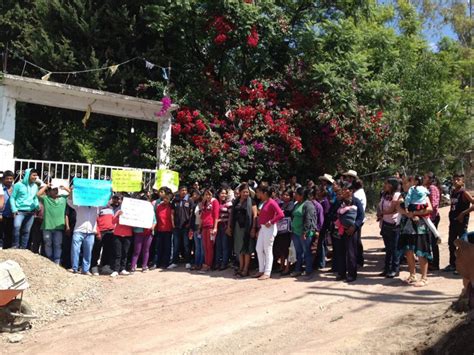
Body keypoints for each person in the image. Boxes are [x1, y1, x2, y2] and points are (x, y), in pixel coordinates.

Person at [398, 176, 434, 286]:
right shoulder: (403, 195)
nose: (403, 186)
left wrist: (415, 213)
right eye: (402, 184)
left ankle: (424, 278)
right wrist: (407, 213)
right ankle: (412, 275)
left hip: (420, 228)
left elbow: (429, 208)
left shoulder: (421, 192)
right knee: (408, 252)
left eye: (405, 183)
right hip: (407, 228)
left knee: (421, 252)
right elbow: (398, 207)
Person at [444, 173, 474, 273]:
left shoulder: (464, 193)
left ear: (462, 181)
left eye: (458, 179)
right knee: (451, 243)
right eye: (454, 179)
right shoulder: (453, 192)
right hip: (453, 222)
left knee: (462, 244)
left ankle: (465, 265)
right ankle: (453, 264)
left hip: (461, 223)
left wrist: (463, 213)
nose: (456, 181)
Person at [336, 182, 365, 282]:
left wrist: (354, 226)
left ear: (351, 191)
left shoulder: (356, 202)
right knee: (341, 252)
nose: (343, 191)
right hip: (341, 230)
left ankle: (352, 274)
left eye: (345, 189)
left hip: (352, 231)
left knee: (351, 253)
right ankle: (341, 273)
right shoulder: (340, 202)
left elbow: (361, 217)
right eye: (342, 189)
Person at [227, 183, 257, 278]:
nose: (245, 194)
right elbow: (232, 215)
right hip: (237, 228)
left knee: (247, 249)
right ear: (239, 192)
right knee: (239, 248)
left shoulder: (251, 202)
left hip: (247, 228)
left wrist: (253, 228)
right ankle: (240, 267)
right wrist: (229, 227)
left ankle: (245, 269)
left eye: (247, 192)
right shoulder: (236, 201)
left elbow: (255, 216)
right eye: (244, 192)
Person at [254, 185, 284, 280]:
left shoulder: (272, 202)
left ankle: (267, 272)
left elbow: (281, 214)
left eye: (259, 192)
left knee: (268, 250)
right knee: (258, 248)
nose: (257, 194)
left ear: (265, 193)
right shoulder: (264, 202)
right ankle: (261, 269)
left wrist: (271, 222)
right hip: (263, 228)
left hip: (269, 229)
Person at [68, 188, 99, 275]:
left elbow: (107, 201)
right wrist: (71, 191)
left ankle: (85, 270)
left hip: (90, 233)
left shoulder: (96, 207)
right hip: (78, 231)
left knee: (88, 252)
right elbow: (69, 201)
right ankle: (74, 268)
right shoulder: (79, 205)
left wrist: (110, 191)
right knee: (75, 250)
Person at [37, 183, 70, 264]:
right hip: (47, 226)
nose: (55, 191)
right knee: (47, 243)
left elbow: (72, 195)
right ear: (49, 192)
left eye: (56, 189)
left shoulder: (63, 199)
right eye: (53, 190)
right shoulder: (46, 199)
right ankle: (50, 260)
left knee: (58, 244)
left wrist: (65, 188)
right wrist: (46, 186)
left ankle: (57, 261)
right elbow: (38, 194)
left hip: (59, 227)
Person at [10, 168, 41, 249]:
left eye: (36, 175)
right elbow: (12, 197)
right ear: (28, 175)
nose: (35, 177)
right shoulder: (18, 185)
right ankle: (15, 246)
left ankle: (23, 248)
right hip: (19, 211)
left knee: (26, 231)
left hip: (31, 212)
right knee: (16, 227)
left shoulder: (35, 186)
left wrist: (37, 205)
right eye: (34, 175)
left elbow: (34, 198)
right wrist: (14, 209)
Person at [290, 188, 317, 279]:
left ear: (301, 195)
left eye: (296, 194)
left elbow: (309, 219)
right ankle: (298, 269)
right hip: (296, 232)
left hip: (304, 233)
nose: (295, 196)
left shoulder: (308, 205)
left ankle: (308, 271)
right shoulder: (297, 204)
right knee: (299, 252)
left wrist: (305, 232)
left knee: (307, 252)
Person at [377, 177, 401, 278]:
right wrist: (379, 213)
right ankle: (387, 268)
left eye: (386, 183)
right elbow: (380, 205)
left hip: (394, 224)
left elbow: (393, 209)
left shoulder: (397, 195)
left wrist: (382, 213)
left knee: (394, 248)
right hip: (385, 223)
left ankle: (395, 269)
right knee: (388, 248)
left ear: (391, 185)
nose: (384, 185)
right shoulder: (384, 194)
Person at [94, 195, 121, 275]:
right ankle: (94, 267)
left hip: (110, 232)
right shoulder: (98, 208)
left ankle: (104, 267)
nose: (111, 200)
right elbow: (95, 221)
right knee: (96, 250)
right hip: (101, 232)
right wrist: (98, 232)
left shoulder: (111, 209)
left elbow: (113, 220)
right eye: (110, 199)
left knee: (107, 251)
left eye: (111, 199)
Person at [130, 196, 156, 274]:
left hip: (148, 232)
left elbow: (154, 220)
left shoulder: (151, 210)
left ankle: (144, 266)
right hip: (139, 232)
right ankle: (133, 266)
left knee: (146, 250)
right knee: (136, 251)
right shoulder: (136, 211)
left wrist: (153, 226)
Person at [170, 186, 194, 270]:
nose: (184, 192)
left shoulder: (190, 200)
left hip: (186, 227)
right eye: (182, 190)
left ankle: (188, 262)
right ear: (179, 191)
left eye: (185, 190)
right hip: (176, 227)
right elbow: (172, 213)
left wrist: (189, 224)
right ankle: (174, 262)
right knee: (176, 245)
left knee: (186, 245)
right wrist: (172, 223)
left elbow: (191, 213)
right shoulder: (175, 200)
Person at [152, 189, 175, 269]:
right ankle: (156, 263)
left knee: (167, 248)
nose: (165, 200)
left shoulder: (171, 207)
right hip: (159, 230)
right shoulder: (159, 207)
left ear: (169, 200)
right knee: (158, 247)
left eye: (167, 199)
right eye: (164, 198)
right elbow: (156, 218)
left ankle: (165, 263)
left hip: (168, 230)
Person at [274, 190, 294, 276]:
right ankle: (282, 265)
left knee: (287, 249)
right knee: (281, 248)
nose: (285, 196)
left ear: (290, 196)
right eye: (284, 194)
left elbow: (286, 213)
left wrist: (280, 213)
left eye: (287, 195)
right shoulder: (281, 204)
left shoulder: (291, 204)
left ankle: (287, 267)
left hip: (287, 230)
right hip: (280, 230)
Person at [111, 201, 134, 277]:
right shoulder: (118, 211)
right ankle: (116, 270)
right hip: (118, 234)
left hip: (128, 235)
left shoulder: (132, 213)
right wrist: (118, 216)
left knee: (125, 253)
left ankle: (123, 269)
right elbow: (113, 221)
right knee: (118, 253)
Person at [424, 172, 441, 271]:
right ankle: (431, 262)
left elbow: (434, 204)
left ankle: (435, 263)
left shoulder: (432, 188)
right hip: (429, 218)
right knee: (429, 241)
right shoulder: (428, 188)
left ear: (430, 179)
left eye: (425, 177)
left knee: (433, 242)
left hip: (432, 218)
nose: (423, 179)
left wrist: (423, 208)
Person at [199, 188, 219, 273]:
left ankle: (208, 264)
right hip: (204, 227)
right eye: (206, 194)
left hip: (211, 227)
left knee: (210, 246)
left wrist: (215, 227)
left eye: (209, 194)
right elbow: (202, 216)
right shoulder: (205, 203)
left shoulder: (215, 202)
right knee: (205, 246)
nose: (207, 196)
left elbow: (216, 215)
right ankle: (206, 263)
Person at [214, 188, 232, 270]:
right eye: (222, 193)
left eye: (225, 193)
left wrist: (228, 227)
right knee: (218, 246)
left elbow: (231, 216)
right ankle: (217, 263)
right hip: (217, 227)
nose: (223, 195)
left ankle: (224, 263)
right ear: (218, 194)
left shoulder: (229, 204)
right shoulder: (216, 203)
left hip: (224, 227)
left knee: (225, 246)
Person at [189, 190, 204, 270]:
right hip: (195, 228)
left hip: (202, 228)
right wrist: (192, 228)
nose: (196, 196)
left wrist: (200, 228)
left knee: (202, 247)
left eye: (197, 194)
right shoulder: (195, 205)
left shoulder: (204, 205)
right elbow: (193, 217)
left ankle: (201, 263)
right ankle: (196, 263)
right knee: (197, 247)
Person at [0, 170, 15, 249]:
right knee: (1, 234)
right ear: (3, 179)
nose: (9, 180)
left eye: (11, 178)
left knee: (10, 234)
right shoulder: (1, 189)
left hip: (12, 216)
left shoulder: (15, 189)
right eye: (7, 178)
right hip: (2, 216)